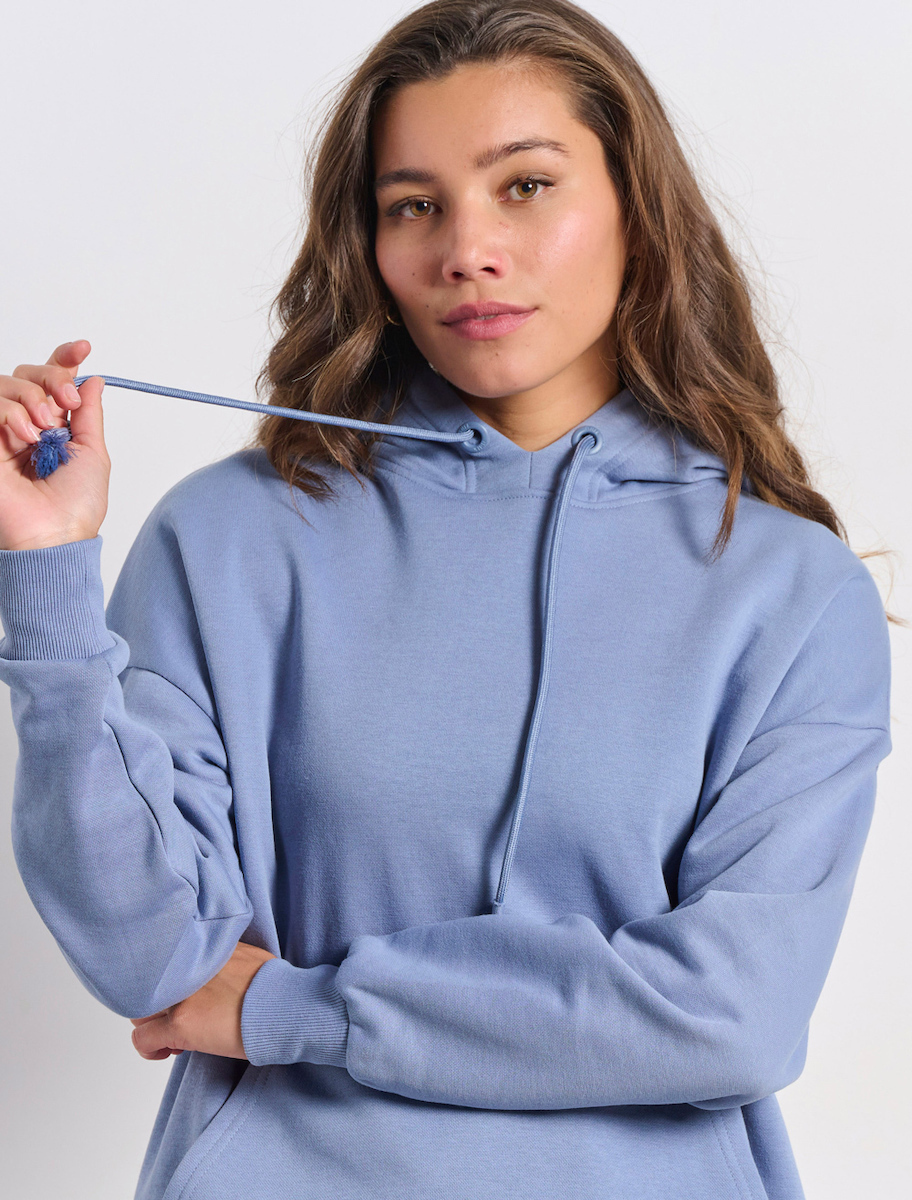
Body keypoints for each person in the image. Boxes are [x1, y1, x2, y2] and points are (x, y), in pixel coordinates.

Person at [0, 1, 894, 1197]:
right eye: (413, 205)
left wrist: (288, 1007)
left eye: (524, 185)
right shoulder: (232, 539)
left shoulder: (786, 588)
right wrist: (48, 577)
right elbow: (149, 957)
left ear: (636, 207)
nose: (466, 248)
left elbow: (732, 1016)